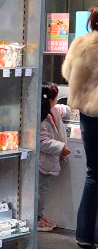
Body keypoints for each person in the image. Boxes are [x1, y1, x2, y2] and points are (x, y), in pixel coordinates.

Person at [62, 11, 98, 248]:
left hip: (87, 115)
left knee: (93, 173)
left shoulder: (80, 44)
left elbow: (67, 73)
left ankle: (84, 235)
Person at [37, 89, 70, 231]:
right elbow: (42, 142)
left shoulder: (53, 111)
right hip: (42, 162)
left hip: (48, 161)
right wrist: (60, 148)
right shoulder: (41, 119)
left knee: (43, 189)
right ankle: (37, 218)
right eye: (56, 97)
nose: (57, 100)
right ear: (50, 100)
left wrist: (73, 107)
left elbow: (63, 109)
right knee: (40, 191)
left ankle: (40, 215)